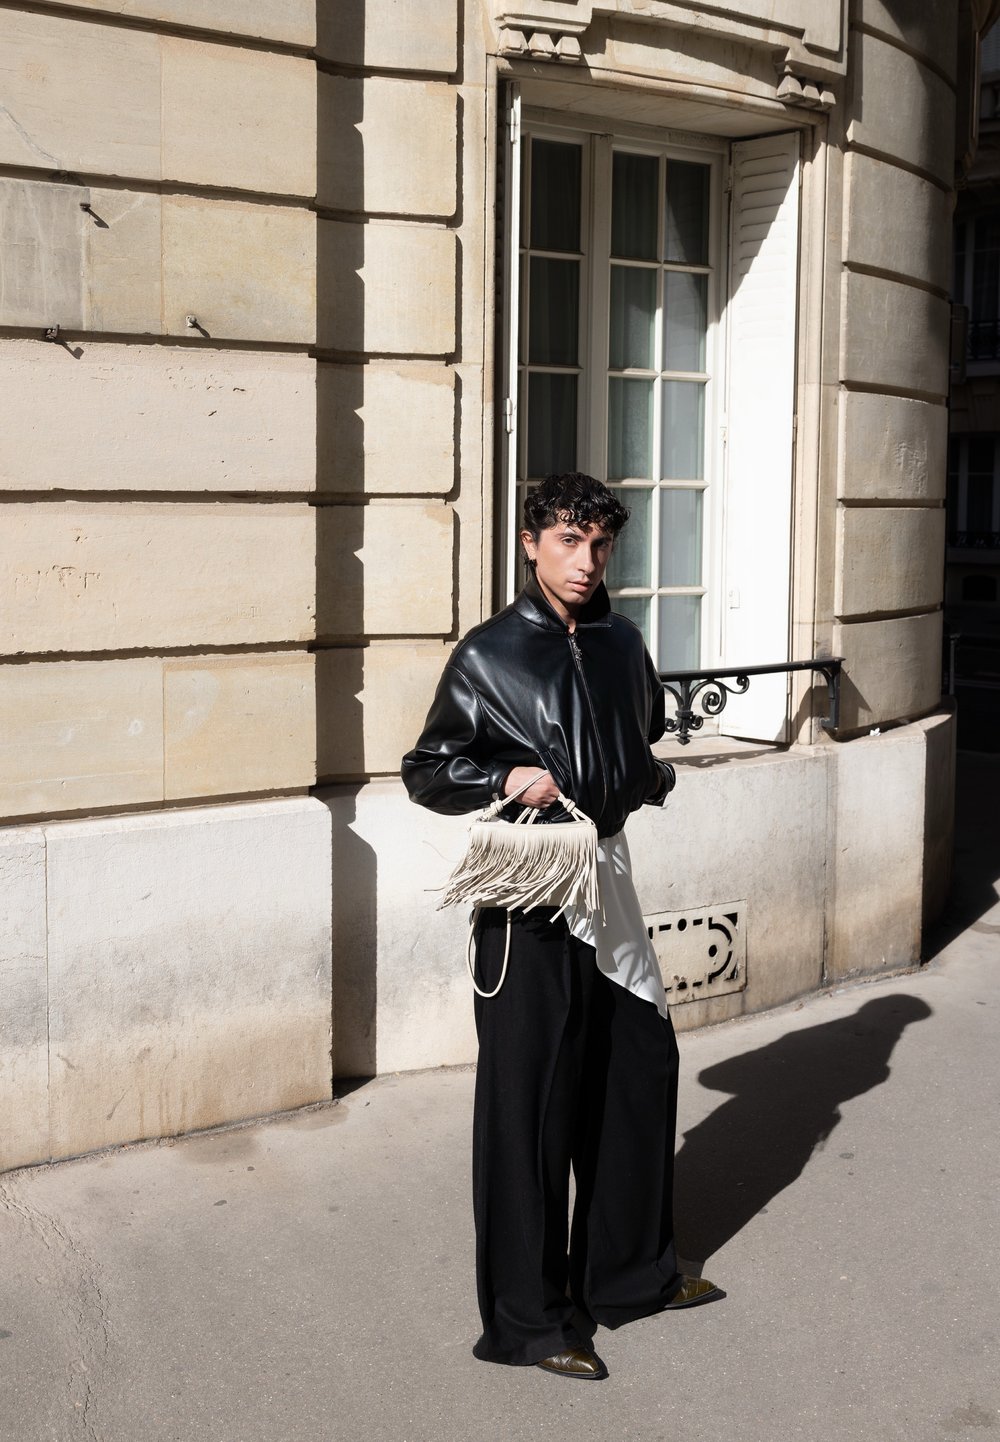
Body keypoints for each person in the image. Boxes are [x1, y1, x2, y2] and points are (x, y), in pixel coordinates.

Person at [401, 472, 720, 1382]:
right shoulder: (488, 653)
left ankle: (630, 1278)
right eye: (568, 543)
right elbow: (427, 768)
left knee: (637, 1070)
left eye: (599, 545)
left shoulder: (622, 642)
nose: (585, 562)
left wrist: (644, 777)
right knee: (531, 1106)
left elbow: (633, 737)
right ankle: (533, 1320)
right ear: (532, 543)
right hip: (531, 894)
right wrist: (502, 782)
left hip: (608, 877)